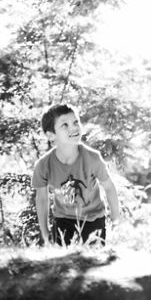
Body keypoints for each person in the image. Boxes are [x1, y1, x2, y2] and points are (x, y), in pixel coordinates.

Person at [32, 104, 121, 246]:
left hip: (93, 220)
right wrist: (45, 233)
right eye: (65, 125)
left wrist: (116, 221)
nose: (73, 128)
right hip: (63, 222)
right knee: (65, 264)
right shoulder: (43, 165)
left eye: (75, 122)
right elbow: (42, 199)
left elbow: (109, 187)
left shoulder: (92, 158)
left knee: (92, 263)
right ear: (51, 135)